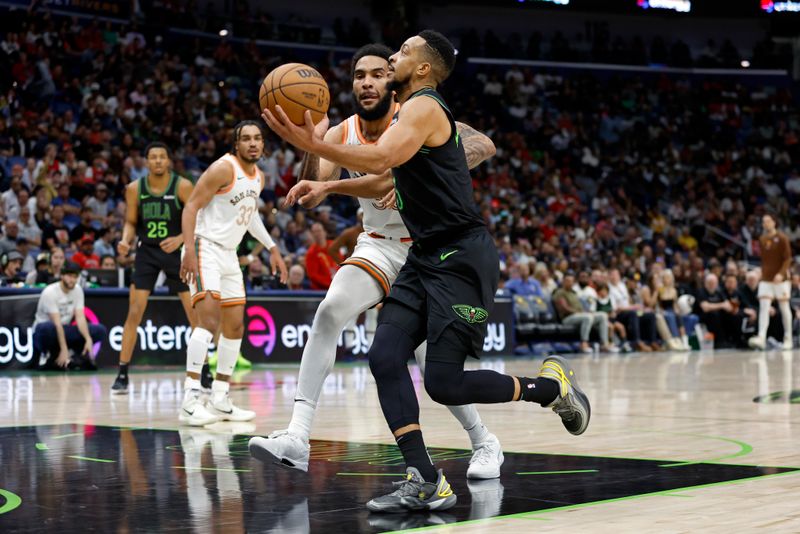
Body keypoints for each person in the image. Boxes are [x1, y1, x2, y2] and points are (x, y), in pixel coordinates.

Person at [261, 31, 590, 513]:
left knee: (441, 381)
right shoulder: (386, 118)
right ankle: (424, 478)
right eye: (365, 71)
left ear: (421, 69)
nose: (390, 59)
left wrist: (315, 145)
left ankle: (550, 389)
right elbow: (377, 171)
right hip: (413, 254)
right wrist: (325, 166)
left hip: (459, 256)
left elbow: (388, 158)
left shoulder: (423, 107)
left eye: (399, 55)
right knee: (385, 356)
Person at [249, 43, 504, 480]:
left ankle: (484, 441)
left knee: (431, 365)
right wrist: (314, 140)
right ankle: (297, 436)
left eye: (377, 74)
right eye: (358, 75)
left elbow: (484, 143)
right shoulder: (341, 132)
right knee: (329, 311)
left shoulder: (419, 114)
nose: (367, 82)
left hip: (429, 249)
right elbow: (313, 186)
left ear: (393, 80)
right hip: (380, 245)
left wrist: (419, 170)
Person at [179, 121, 288, 426]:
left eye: (257, 139)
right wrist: (188, 249)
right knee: (208, 322)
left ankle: (220, 397)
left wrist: (272, 248)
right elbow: (190, 208)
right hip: (204, 247)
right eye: (246, 139)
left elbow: (250, 216)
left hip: (228, 254)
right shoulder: (222, 169)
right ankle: (189, 400)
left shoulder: (259, 177)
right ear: (236, 144)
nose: (253, 144)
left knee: (235, 326)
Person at [110, 142, 198, 394]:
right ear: (146, 162)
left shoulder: (182, 186)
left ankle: (202, 371)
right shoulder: (134, 189)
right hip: (147, 252)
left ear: (168, 161)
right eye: (153, 157)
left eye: (162, 157)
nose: (158, 161)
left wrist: (181, 238)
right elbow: (130, 222)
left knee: (194, 315)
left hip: (176, 254)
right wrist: (126, 240)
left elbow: (198, 217)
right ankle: (123, 373)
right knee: (134, 312)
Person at [32, 261, 107, 370]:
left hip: (64, 329)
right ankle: (47, 354)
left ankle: (76, 357)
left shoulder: (77, 290)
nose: (72, 280)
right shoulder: (50, 292)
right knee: (46, 328)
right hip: (46, 332)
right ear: (62, 275)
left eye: (75, 276)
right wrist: (64, 349)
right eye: (69, 276)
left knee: (99, 330)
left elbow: (80, 317)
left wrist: (88, 338)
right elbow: (57, 324)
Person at [749, 213, 793, 350]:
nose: (765, 224)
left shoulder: (782, 238)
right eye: (763, 222)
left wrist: (781, 273)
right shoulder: (761, 239)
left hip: (781, 279)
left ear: (774, 222)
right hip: (766, 278)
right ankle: (761, 337)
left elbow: (788, 259)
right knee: (764, 307)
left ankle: (788, 338)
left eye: (768, 221)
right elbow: (765, 260)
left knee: (784, 308)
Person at [551, 272, 615, 354]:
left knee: (603, 315)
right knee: (587, 317)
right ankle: (584, 343)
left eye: (571, 281)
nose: (569, 283)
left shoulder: (573, 292)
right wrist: (580, 312)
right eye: (567, 281)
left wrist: (584, 312)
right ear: (563, 281)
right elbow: (564, 308)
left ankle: (604, 344)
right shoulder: (559, 292)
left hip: (579, 316)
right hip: (567, 318)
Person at [305, 222, 338, 289]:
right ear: (312, 234)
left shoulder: (334, 246)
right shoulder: (311, 253)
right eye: (314, 232)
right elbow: (313, 276)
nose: (317, 234)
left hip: (338, 285)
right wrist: (331, 284)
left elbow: (341, 263)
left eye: (319, 231)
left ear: (325, 232)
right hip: (321, 290)